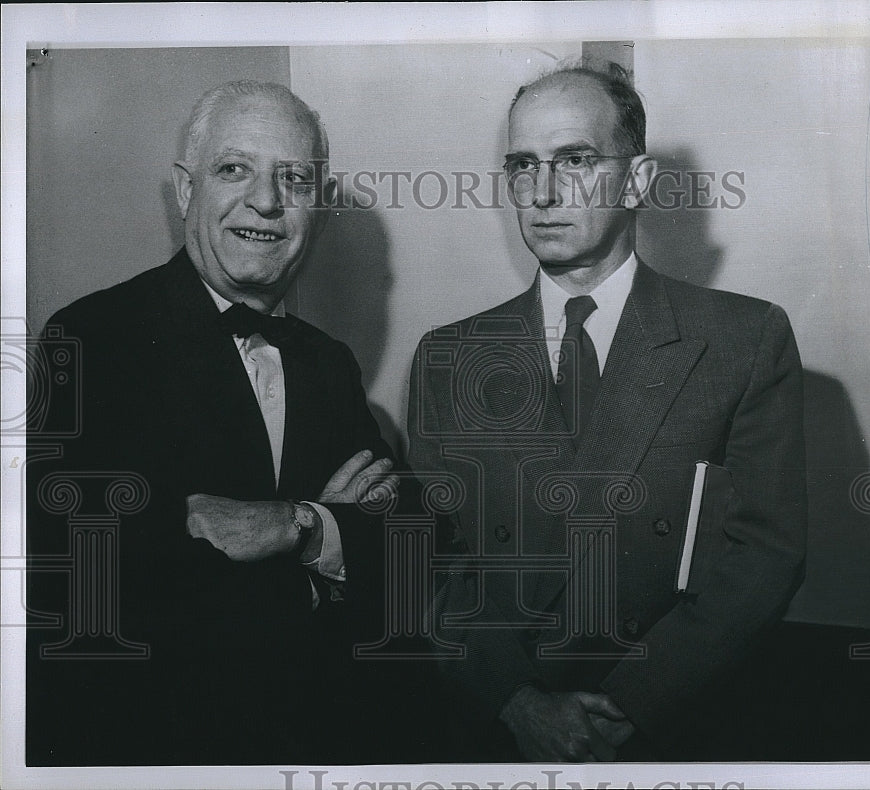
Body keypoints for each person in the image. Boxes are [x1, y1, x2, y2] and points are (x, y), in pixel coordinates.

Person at [407, 64, 808, 761]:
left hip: (669, 730)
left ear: (638, 179)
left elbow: (762, 557)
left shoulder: (743, 340)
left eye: (577, 160)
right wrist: (519, 701)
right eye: (524, 166)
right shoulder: (450, 354)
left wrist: (631, 706)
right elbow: (433, 560)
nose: (546, 191)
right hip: (498, 732)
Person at [26, 80, 413, 765]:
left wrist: (289, 524)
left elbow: (401, 543)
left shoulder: (330, 365)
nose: (266, 202)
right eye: (235, 169)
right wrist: (325, 534)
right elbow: (101, 593)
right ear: (186, 191)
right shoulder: (92, 338)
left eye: (293, 178)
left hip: (317, 749)